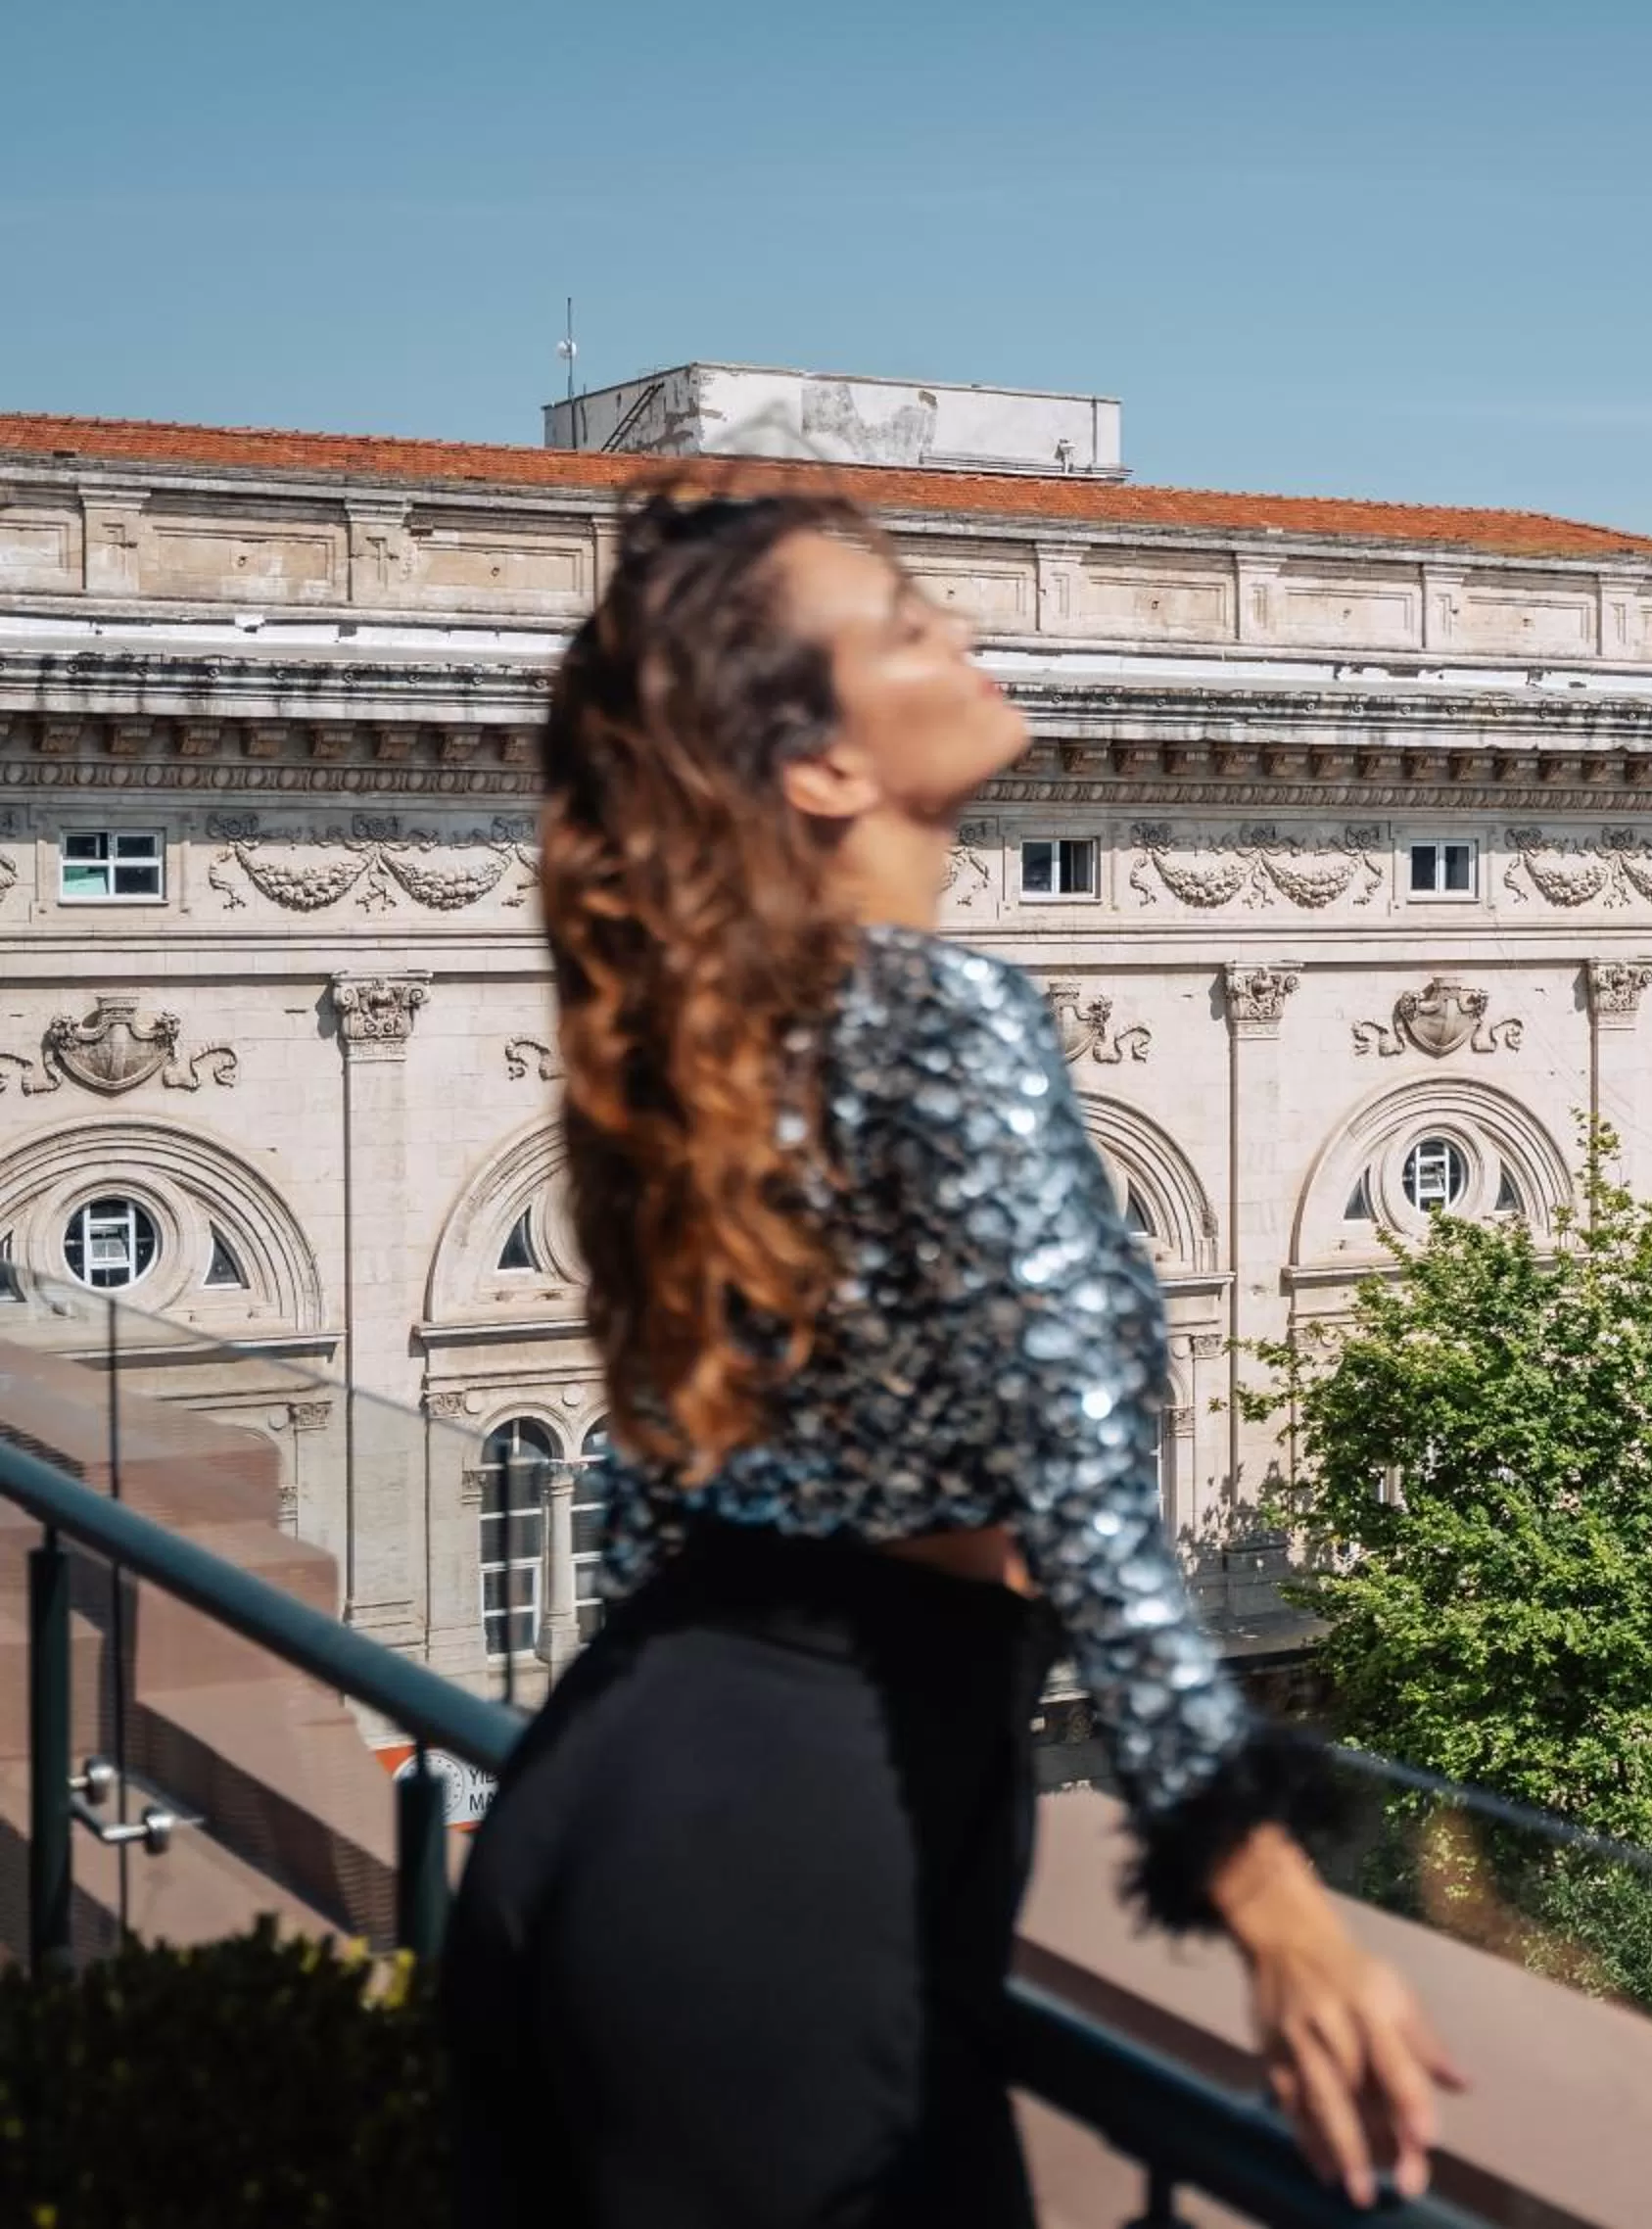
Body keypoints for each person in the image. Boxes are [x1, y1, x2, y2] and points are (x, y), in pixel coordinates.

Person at [446, 485, 1461, 2227]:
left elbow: (649, 1487)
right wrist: (1277, 1908)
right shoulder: (939, 1016)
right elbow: (1086, 1495)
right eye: (909, 626)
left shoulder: (731, 1038)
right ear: (825, 769)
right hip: (796, 1853)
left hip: (608, 1807)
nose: (965, 635)